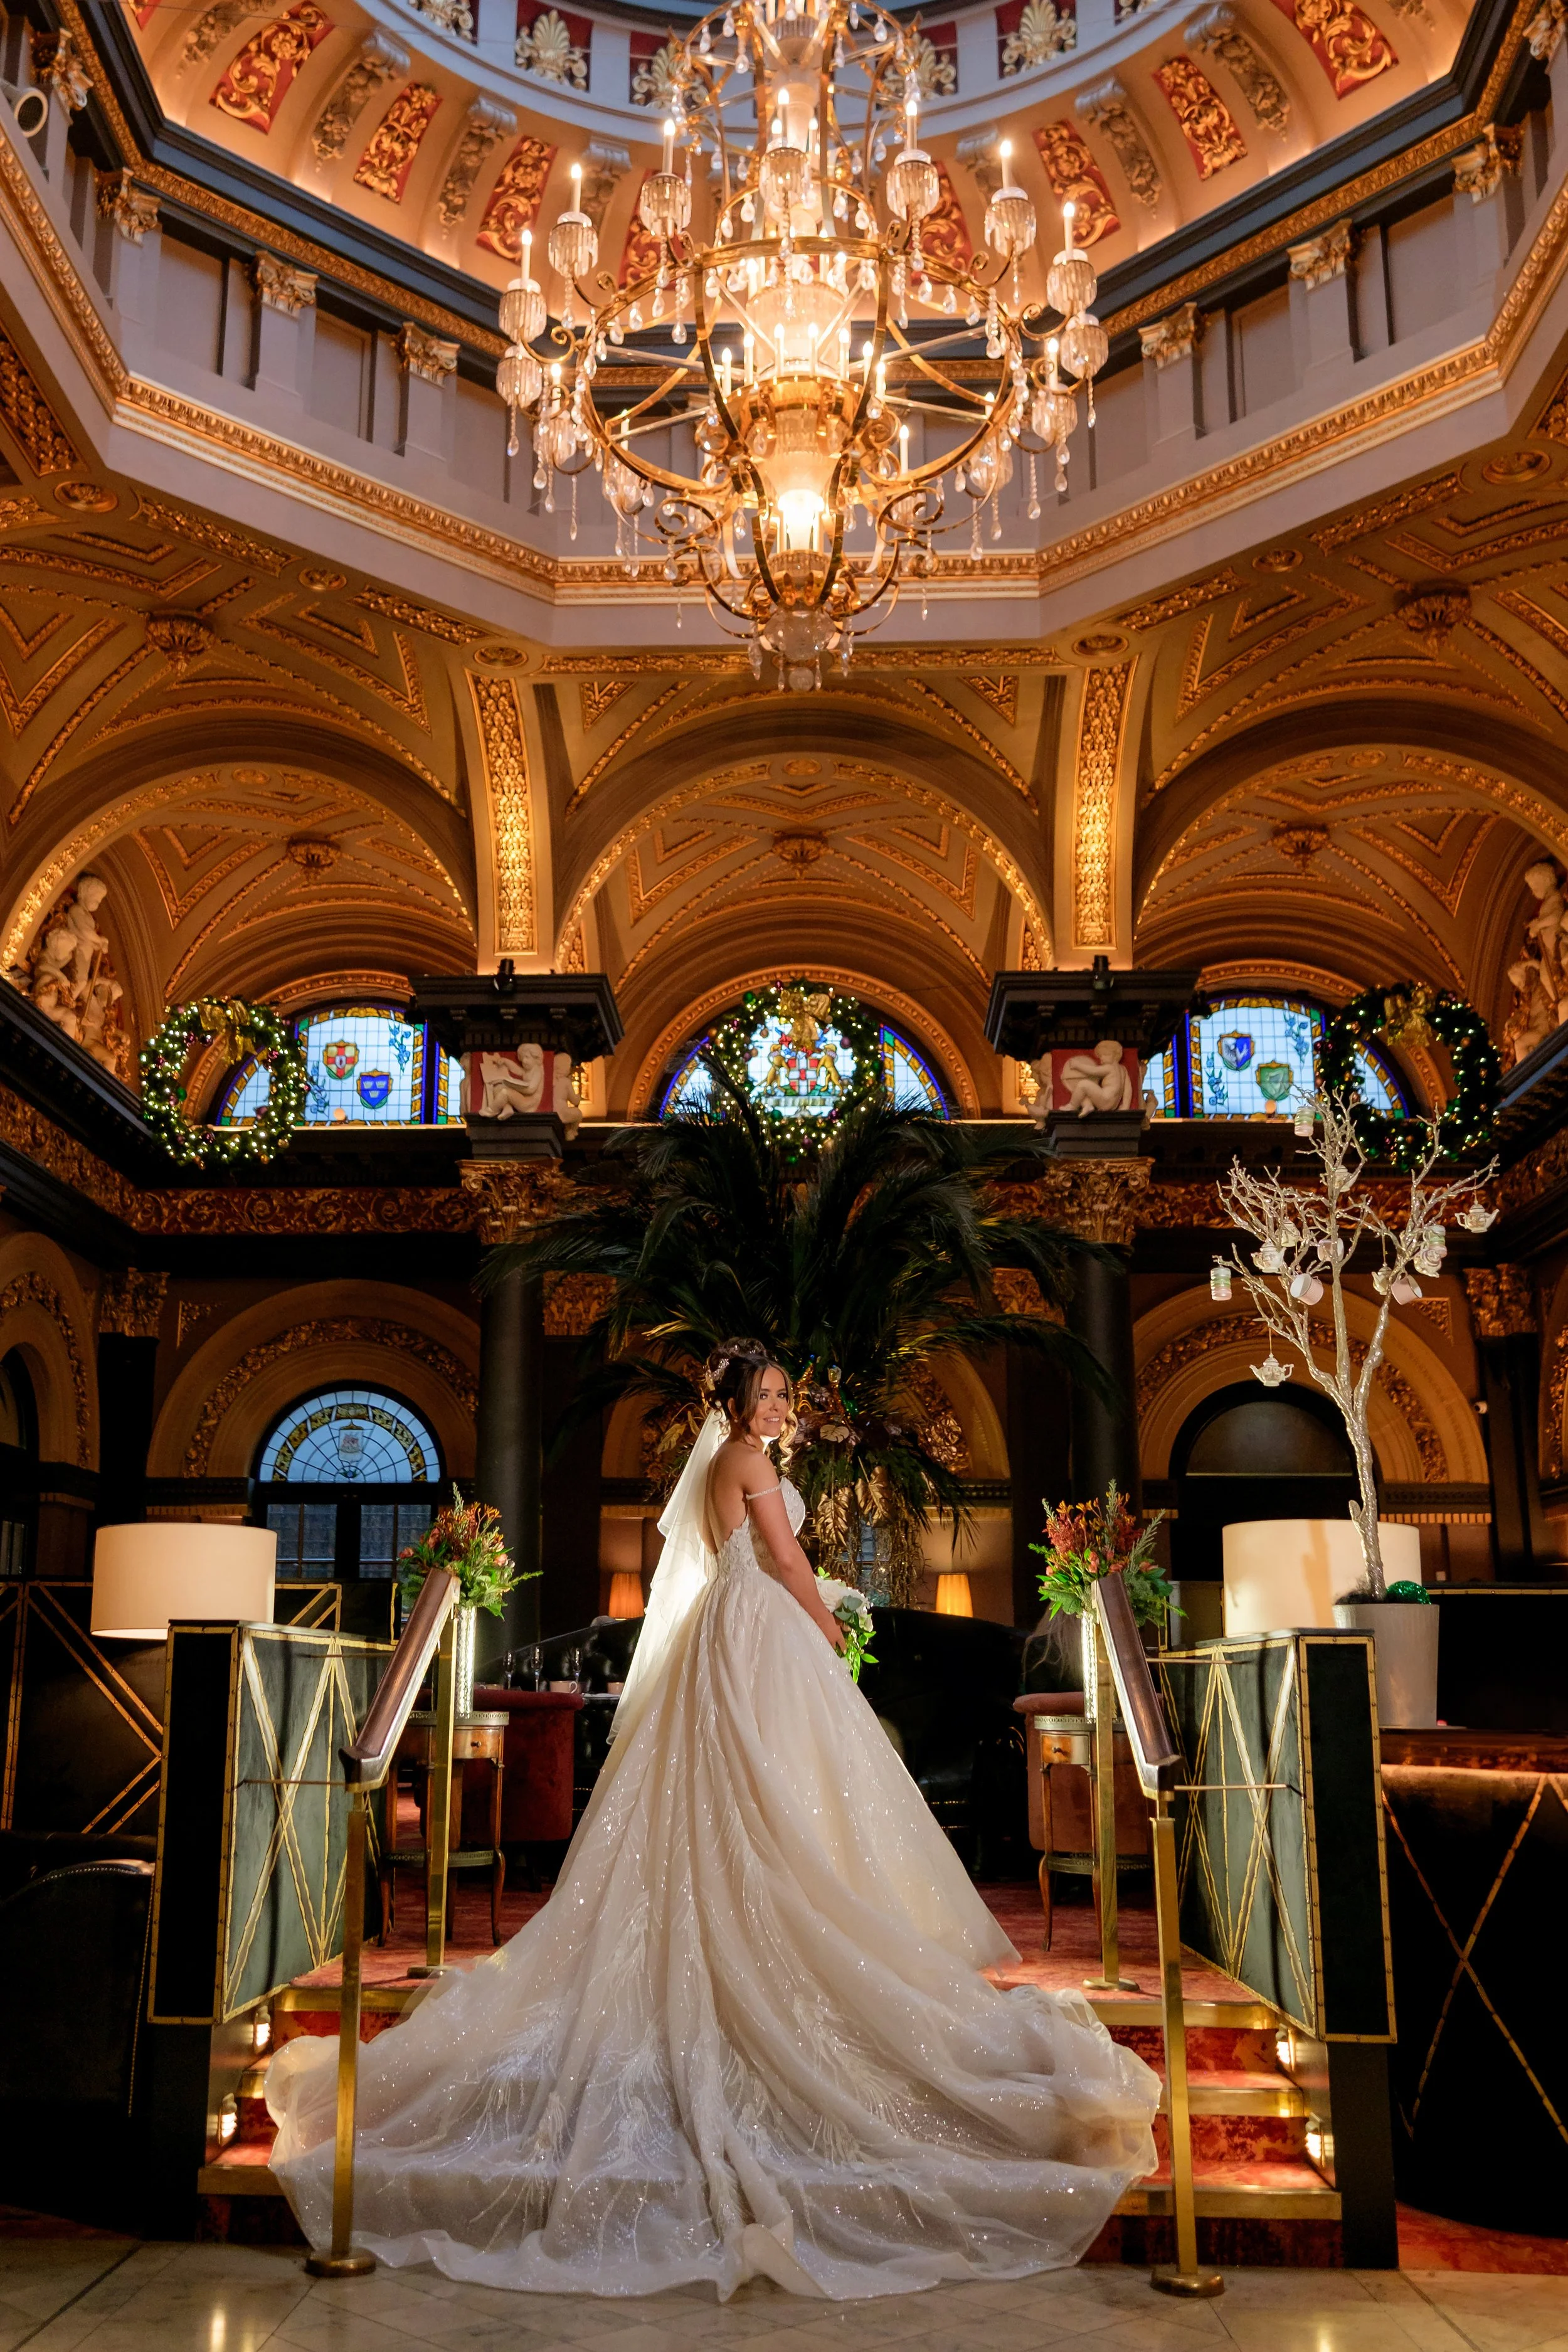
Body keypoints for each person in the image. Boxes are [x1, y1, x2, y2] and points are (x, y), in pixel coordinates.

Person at [268, 1339, 1158, 2300]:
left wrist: (822, 1609)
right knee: (770, 1799)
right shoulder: (749, 1460)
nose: (779, 1407)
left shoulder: (731, 1462)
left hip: (730, 1635)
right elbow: (781, 1557)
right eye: (765, 1394)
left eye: (785, 1394)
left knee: (756, 1801)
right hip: (761, 1634)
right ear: (732, 1401)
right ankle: (766, 1944)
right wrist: (830, 1626)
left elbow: (753, 1554)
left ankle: (755, 1926)